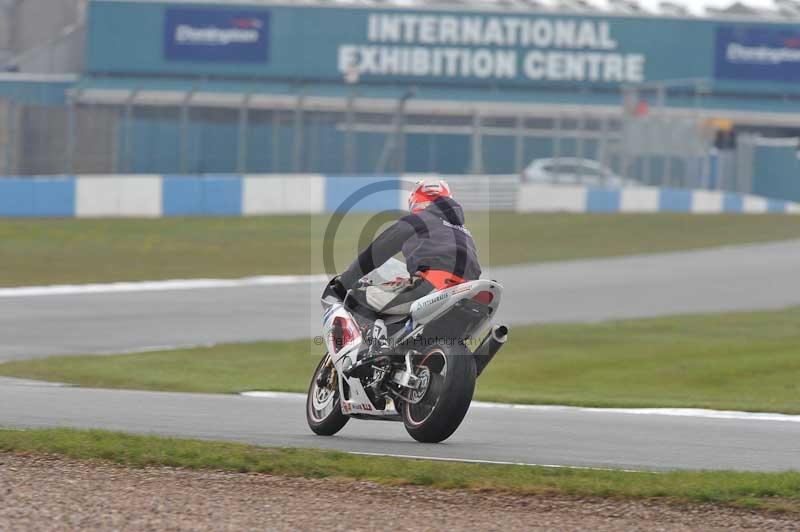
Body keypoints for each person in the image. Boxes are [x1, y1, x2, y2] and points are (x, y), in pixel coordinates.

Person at [329, 180, 482, 357]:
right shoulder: (464, 232)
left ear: (415, 201)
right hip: (469, 295)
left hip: (433, 285)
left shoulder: (418, 220)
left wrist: (346, 281)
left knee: (357, 296)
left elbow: (377, 251)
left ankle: (375, 349)